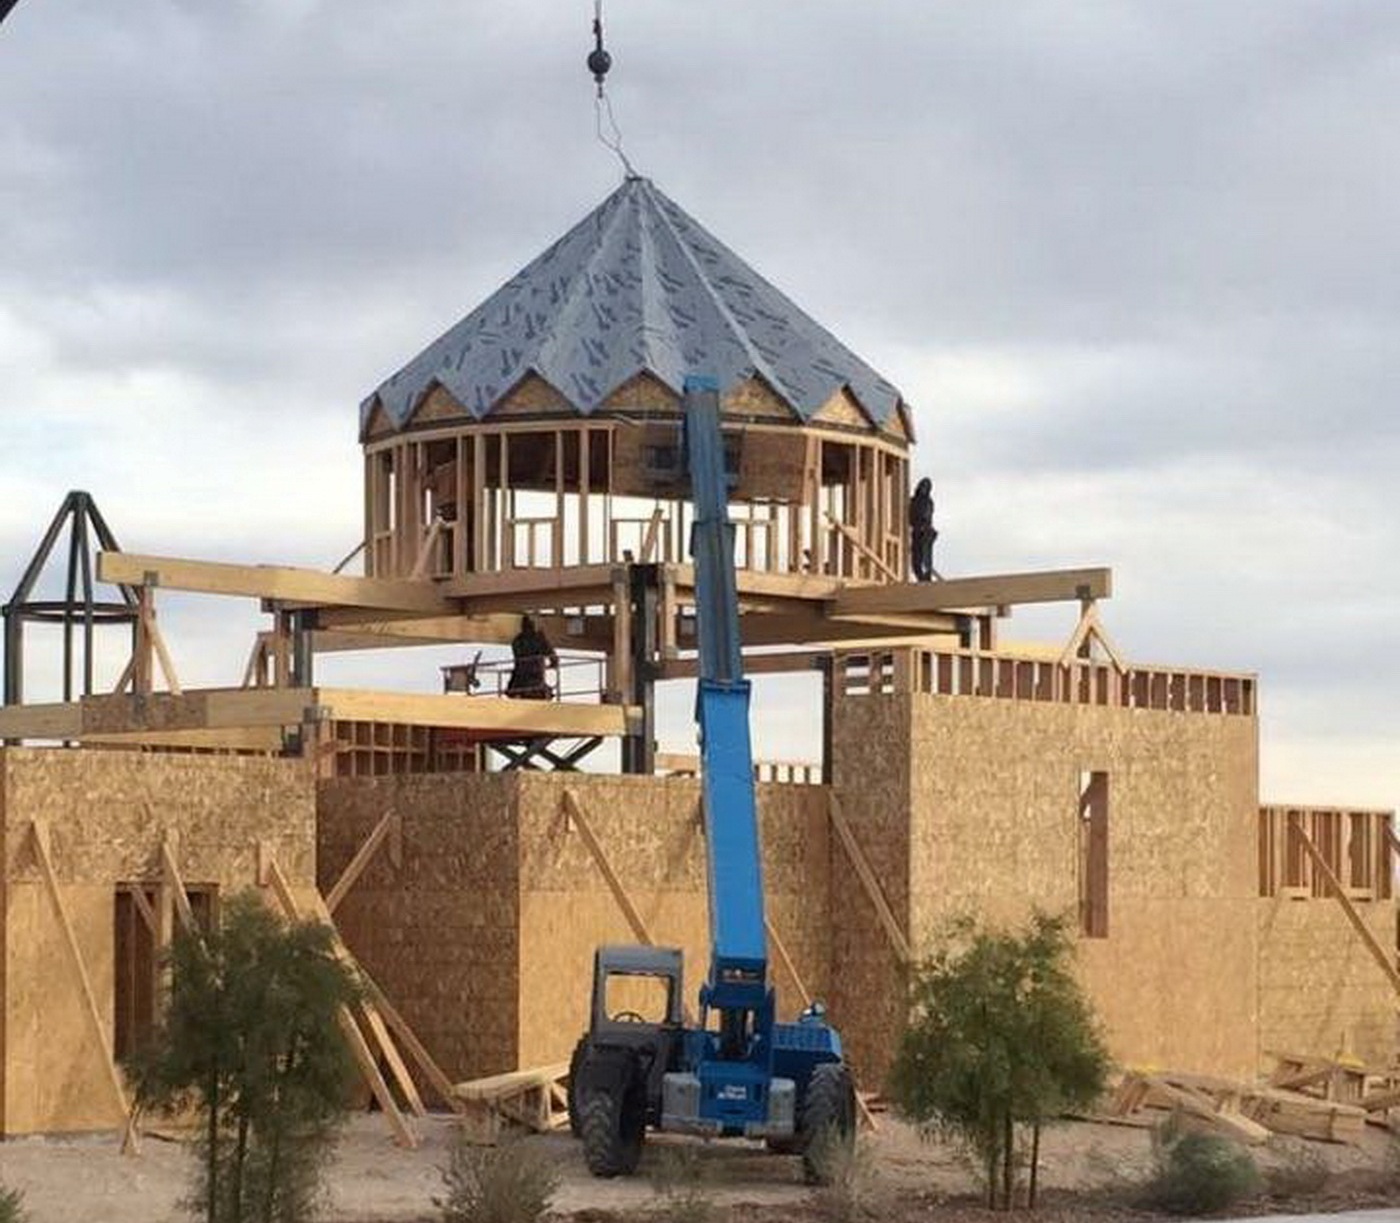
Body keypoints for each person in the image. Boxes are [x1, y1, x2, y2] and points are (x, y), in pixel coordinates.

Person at [506, 615, 558, 700]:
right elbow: (552, 655)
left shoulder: (517, 640)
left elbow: (517, 659)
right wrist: (553, 663)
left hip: (519, 679)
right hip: (535, 677)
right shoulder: (538, 638)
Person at [909, 477, 937, 582]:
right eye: (923, 486)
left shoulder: (928, 502)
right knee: (916, 561)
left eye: (926, 487)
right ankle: (922, 579)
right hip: (917, 532)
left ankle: (926, 579)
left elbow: (926, 516)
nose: (924, 489)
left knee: (926, 559)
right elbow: (910, 518)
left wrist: (923, 525)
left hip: (926, 532)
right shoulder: (913, 501)